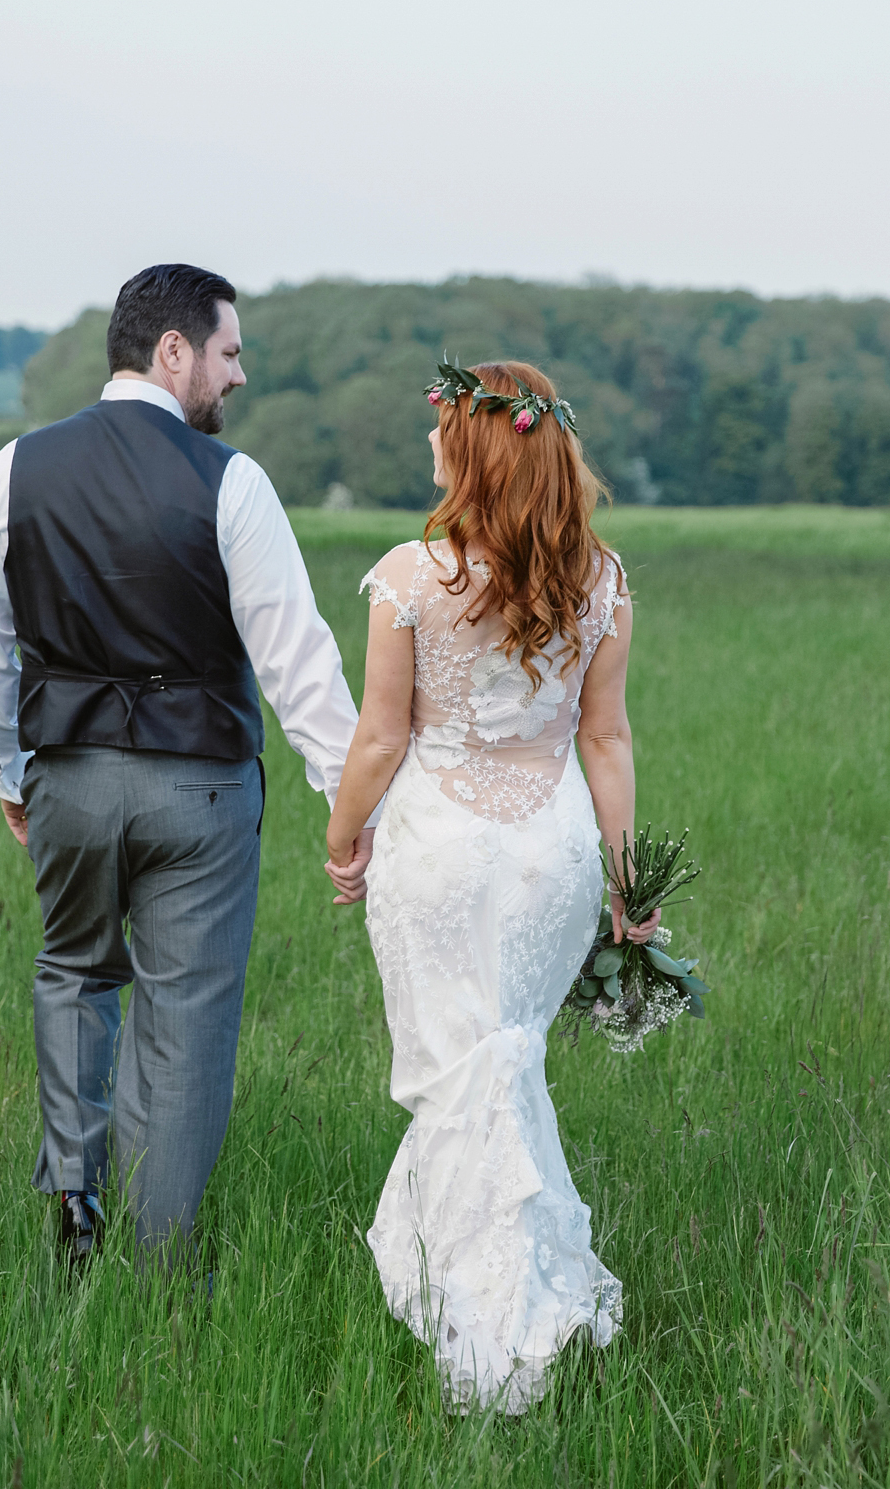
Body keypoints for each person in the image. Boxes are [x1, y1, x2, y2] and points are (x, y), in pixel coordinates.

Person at [0, 263, 373, 1275]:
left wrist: (9, 771)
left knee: (72, 977)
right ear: (171, 350)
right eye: (228, 353)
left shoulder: (14, 469)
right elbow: (298, 663)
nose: (236, 378)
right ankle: (157, 1264)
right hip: (202, 792)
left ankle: (77, 1216)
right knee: (183, 1028)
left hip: (69, 782)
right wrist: (353, 809)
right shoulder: (234, 482)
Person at [324, 358, 659, 1413]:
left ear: (472, 449)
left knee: (459, 1080)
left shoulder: (411, 578)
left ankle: (485, 1330)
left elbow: (381, 738)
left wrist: (341, 841)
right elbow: (604, 739)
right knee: (503, 1072)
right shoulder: (598, 582)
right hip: (548, 857)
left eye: (441, 431)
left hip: (439, 853)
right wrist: (623, 881)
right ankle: (505, 1296)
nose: (429, 445)